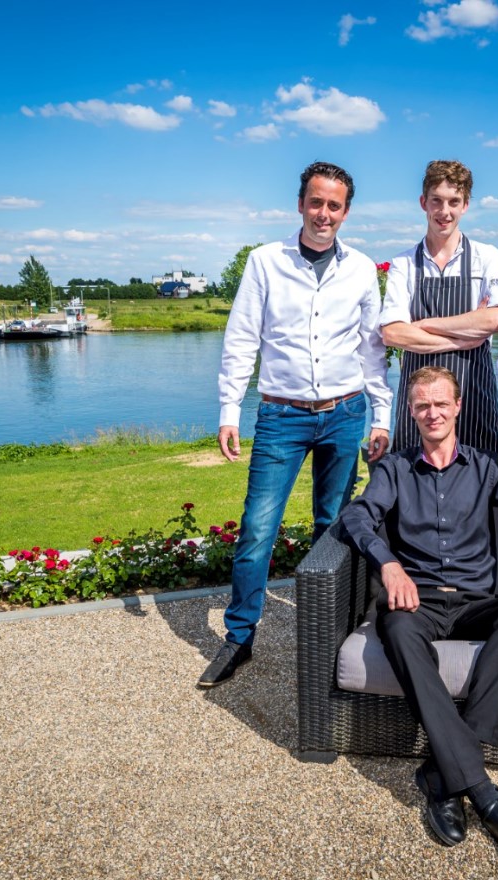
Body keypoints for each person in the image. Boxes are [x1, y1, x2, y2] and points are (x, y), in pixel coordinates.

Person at [342, 365, 498, 877]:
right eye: (421, 406)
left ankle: (443, 774)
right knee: (394, 623)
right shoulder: (392, 469)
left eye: (441, 404)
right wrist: (388, 564)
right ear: (411, 413)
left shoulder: (486, 467)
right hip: (421, 603)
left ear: (458, 408)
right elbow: (356, 517)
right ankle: (487, 796)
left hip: (478, 602)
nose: (432, 413)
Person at [202, 161, 393, 688]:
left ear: (346, 212)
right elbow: (241, 338)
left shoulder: (358, 269)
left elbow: (372, 348)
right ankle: (239, 638)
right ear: (300, 204)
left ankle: (331, 636)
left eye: (334, 205)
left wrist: (382, 414)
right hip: (281, 416)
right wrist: (228, 410)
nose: (324, 213)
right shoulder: (265, 261)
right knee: (258, 529)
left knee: (332, 528)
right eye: (316, 202)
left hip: (345, 413)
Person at [380, 160, 498, 459]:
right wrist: (464, 337)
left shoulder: (486, 256)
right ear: (423, 202)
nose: (445, 211)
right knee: (413, 491)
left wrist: (423, 324)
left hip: (474, 395)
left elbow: (495, 317)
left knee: (484, 487)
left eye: (454, 202)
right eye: (436, 201)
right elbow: (392, 333)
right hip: (419, 405)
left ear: (465, 205)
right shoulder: (404, 263)